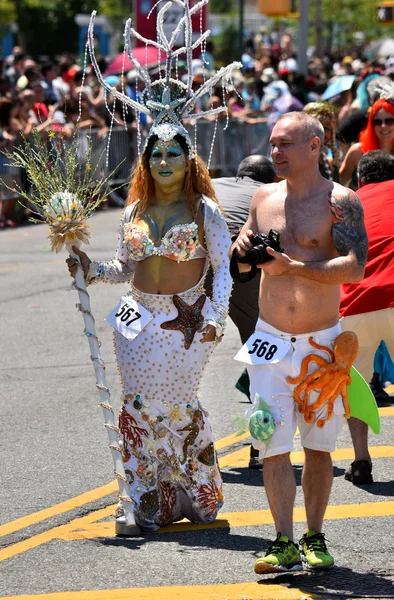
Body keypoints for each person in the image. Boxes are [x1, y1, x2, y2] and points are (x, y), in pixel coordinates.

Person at [66, 0, 238, 535]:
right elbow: (125, 264)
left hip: (187, 324)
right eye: (155, 155)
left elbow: (224, 270)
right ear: (146, 161)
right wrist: (91, 270)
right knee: (138, 409)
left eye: (173, 154)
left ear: (190, 158)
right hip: (135, 321)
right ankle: (149, 502)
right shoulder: (136, 210)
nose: (163, 163)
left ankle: (196, 492)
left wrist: (214, 317)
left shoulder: (204, 210)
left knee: (177, 405)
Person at [232, 111, 367, 573]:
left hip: (321, 347)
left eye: (286, 144)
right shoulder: (263, 197)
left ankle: (313, 535)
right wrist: (243, 252)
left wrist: (295, 267)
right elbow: (242, 259)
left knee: (318, 447)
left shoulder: (341, 202)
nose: (275, 152)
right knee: (270, 442)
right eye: (272, 144)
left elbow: (355, 267)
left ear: (315, 146)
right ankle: (282, 541)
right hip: (268, 342)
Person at [212, 155, 276, 469]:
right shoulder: (273, 195)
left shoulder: (214, 184)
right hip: (242, 265)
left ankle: (178, 447)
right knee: (261, 359)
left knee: (181, 354)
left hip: (194, 260)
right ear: (272, 178)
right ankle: (260, 446)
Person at [341, 150, 394, 485]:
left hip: (356, 303)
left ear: (360, 180)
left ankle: (361, 460)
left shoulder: (348, 205)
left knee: (356, 388)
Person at [339, 97, 394, 187]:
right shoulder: (357, 151)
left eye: (389, 121)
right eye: (377, 122)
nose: (383, 126)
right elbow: (340, 184)